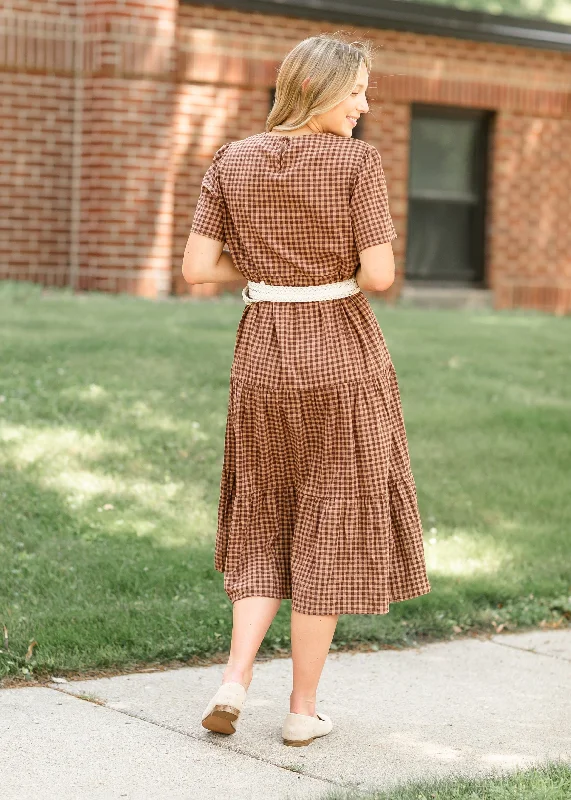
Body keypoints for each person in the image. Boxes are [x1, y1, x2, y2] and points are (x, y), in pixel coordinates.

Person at [182, 31, 431, 747]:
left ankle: (233, 679)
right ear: (317, 89)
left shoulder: (232, 158)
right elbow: (378, 275)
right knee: (326, 527)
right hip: (340, 354)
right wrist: (319, 277)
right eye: (354, 89)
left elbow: (199, 268)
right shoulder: (356, 163)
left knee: (263, 514)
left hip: (263, 352)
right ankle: (300, 711)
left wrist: (268, 272)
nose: (363, 103)